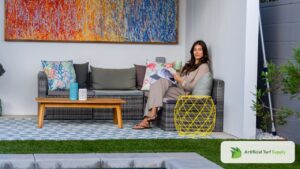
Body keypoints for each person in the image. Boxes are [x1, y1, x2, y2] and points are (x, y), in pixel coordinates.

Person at [133, 40, 211, 129]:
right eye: (195, 50)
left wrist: (180, 80)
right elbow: (178, 77)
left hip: (185, 92)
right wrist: (173, 67)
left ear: (204, 52)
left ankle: (147, 119)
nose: (197, 52)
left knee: (156, 90)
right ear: (192, 52)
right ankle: (153, 113)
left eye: (200, 50)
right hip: (177, 87)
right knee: (159, 81)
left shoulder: (203, 67)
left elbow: (192, 86)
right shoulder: (189, 65)